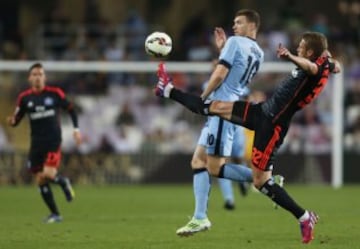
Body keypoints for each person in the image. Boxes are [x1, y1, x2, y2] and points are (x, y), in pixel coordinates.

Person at [155, 31, 340, 243]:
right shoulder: (325, 63)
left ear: (309, 52)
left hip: (272, 127)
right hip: (260, 111)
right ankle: (167, 89)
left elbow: (312, 67)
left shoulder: (313, 68)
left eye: (302, 46)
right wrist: (331, 63)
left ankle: (305, 217)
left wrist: (290, 56)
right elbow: (334, 65)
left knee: (261, 182)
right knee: (208, 107)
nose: (298, 47)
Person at [161, 9, 267, 236]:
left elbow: (220, 74)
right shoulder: (259, 52)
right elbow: (236, 73)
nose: (234, 26)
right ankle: (200, 217)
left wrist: (203, 98)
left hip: (220, 108)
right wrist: (223, 48)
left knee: (214, 167)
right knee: (198, 161)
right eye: (234, 22)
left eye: (239, 22)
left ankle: (266, 178)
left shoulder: (236, 42)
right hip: (231, 105)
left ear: (252, 26)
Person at [6, 63, 82, 223]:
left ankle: (63, 181)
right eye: (34, 74)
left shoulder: (55, 94)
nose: (37, 77)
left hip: (53, 140)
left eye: (40, 74)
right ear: (29, 78)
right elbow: (16, 119)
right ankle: (56, 214)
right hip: (36, 142)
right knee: (40, 179)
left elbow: (71, 109)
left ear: (45, 77)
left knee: (47, 174)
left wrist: (76, 130)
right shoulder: (24, 98)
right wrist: (12, 122)